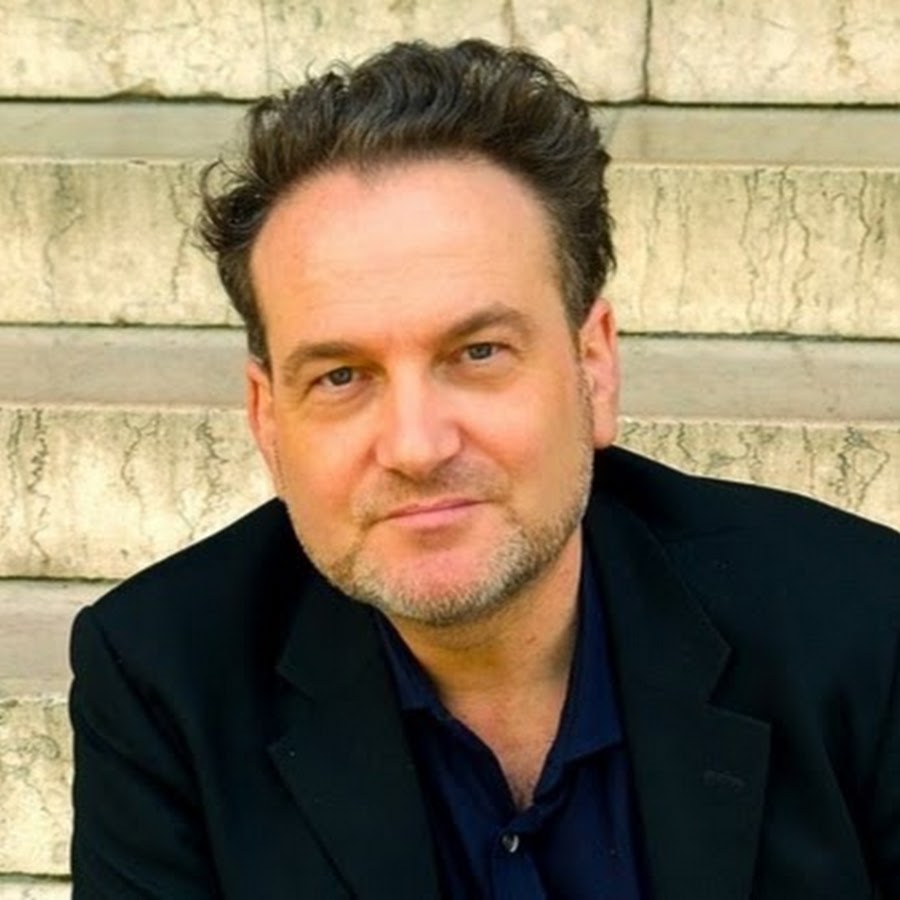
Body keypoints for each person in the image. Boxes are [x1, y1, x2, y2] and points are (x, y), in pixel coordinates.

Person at [69, 39, 900, 899]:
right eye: (341, 376)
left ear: (593, 368)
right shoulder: (165, 678)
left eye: (478, 352)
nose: (416, 445)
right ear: (267, 419)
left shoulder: (863, 623)